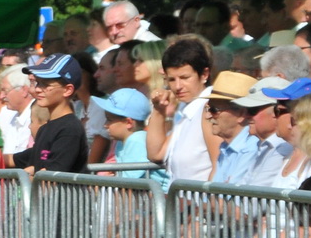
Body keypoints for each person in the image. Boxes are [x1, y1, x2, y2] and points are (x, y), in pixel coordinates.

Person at [144, 36, 216, 182]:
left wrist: (209, 195)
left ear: (204, 74)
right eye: (171, 79)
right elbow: (156, 154)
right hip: (180, 195)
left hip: (201, 196)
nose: (177, 86)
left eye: (185, 78)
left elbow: (219, 165)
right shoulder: (186, 107)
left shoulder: (210, 108)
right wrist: (158, 109)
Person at [9, 54, 87, 173]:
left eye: (45, 84)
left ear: (67, 90)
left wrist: (25, 178)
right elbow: (34, 165)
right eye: (38, 83)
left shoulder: (70, 129)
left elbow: (52, 176)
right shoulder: (45, 128)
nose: (37, 89)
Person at [206, 71, 264, 186]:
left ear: (241, 114)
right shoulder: (225, 147)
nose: (207, 116)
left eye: (214, 110)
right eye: (207, 109)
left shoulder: (251, 149)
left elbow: (229, 195)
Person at [91, 87, 155, 179]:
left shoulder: (137, 141)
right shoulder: (122, 142)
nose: (105, 125)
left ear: (128, 122)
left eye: (109, 120)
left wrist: (111, 181)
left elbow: (130, 181)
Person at [0, 65, 34, 156]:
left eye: (5, 90)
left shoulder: (37, 118)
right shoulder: (8, 116)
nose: (2, 96)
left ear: (24, 90)